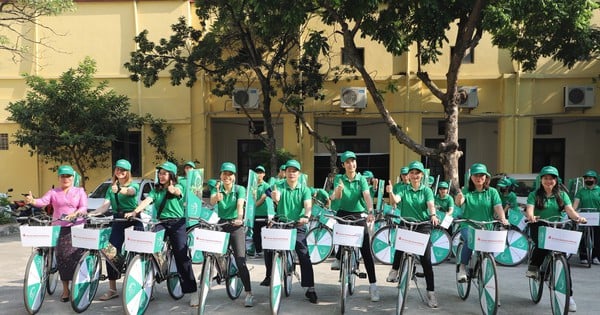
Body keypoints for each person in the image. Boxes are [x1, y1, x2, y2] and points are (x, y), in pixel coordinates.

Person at [124, 161, 198, 306]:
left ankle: (192, 291)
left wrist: (174, 190)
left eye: (164, 173)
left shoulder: (179, 185)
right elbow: (147, 200)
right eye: (160, 173)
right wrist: (135, 211)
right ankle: (148, 285)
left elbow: (179, 192)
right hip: (160, 222)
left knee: (182, 256)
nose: (161, 176)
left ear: (171, 175)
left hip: (177, 223)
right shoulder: (156, 190)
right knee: (150, 248)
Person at [524, 166, 585, 312]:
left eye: (551, 178)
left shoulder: (562, 195)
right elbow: (530, 208)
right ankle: (534, 266)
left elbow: (569, 209)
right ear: (541, 180)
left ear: (556, 180)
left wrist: (577, 218)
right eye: (545, 178)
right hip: (539, 226)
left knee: (563, 259)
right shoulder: (534, 194)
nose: (548, 181)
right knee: (542, 245)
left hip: (557, 227)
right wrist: (531, 216)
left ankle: (568, 296)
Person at [25, 165, 88, 302]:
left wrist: (75, 214)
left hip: (76, 227)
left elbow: (83, 207)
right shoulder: (53, 192)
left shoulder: (79, 191)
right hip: (59, 228)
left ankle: (77, 286)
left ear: (73, 177)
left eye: (68, 176)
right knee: (62, 258)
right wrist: (32, 200)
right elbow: (43, 202)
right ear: (59, 178)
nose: (65, 178)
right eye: (63, 176)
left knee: (75, 258)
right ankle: (66, 290)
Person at [385, 161, 440, 308]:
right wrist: (390, 192)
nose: (415, 175)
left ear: (422, 175)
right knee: (400, 244)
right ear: (408, 175)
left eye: (417, 173)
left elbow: (430, 204)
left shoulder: (426, 190)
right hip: (406, 223)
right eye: (412, 173)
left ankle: (431, 293)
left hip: (422, 225)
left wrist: (433, 215)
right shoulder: (403, 189)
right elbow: (396, 200)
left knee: (426, 261)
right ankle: (395, 269)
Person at [262, 160, 318, 303]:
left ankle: (310, 288)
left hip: (297, 224)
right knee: (268, 248)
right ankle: (270, 275)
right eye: (289, 170)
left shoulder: (304, 189)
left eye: (294, 171)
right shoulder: (278, 185)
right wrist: (274, 198)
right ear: (284, 172)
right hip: (281, 223)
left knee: (304, 254)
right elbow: (269, 192)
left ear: (298, 173)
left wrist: (306, 216)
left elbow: (307, 204)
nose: (291, 173)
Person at [330, 151, 380, 302]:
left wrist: (370, 210)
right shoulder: (339, 178)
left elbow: (366, 195)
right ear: (343, 165)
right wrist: (338, 190)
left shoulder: (361, 180)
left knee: (365, 249)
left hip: (358, 214)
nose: (351, 164)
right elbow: (336, 197)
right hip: (342, 213)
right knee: (340, 237)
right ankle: (339, 257)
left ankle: (373, 286)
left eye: (353, 161)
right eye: (348, 162)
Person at [88, 159, 142, 301]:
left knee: (139, 253)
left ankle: (142, 285)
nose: (120, 172)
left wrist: (120, 189)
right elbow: (105, 206)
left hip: (133, 217)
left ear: (128, 172)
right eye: (118, 169)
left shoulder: (133, 185)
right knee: (110, 252)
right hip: (118, 219)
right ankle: (112, 289)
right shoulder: (110, 187)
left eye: (123, 170)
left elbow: (130, 192)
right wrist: (91, 213)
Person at [209, 162, 254, 307]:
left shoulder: (239, 189)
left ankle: (249, 293)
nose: (227, 176)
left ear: (234, 177)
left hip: (236, 225)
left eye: (230, 174)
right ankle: (218, 270)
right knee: (212, 252)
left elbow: (240, 205)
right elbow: (211, 201)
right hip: (222, 223)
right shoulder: (217, 188)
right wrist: (216, 196)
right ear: (221, 175)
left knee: (240, 260)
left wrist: (240, 218)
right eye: (224, 174)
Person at [454, 163, 508, 283]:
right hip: (468, 225)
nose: (479, 178)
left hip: (486, 226)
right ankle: (462, 267)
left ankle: (486, 269)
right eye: (476, 176)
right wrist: (459, 197)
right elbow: (459, 202)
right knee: (469, 239)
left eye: (481, 175)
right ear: (471, 177)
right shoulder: (466, 191)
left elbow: (498, 206)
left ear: (486, 177)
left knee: (489, 250)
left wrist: (503, 218)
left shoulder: (492, 192)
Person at [573, 169, 600, 265]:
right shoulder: (581, 191)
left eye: (590, 178)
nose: (588, 179)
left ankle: (596, 256)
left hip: (597, 216)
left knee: (597, 237)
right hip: (584, 216)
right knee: (583, 236)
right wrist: (573, 211)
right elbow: (576, 203)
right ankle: (583, 256)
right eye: (587, 178)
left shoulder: (599, 190)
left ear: (594, 179)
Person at [253, 165, 272, 258]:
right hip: (254, 214)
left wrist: (253, 206)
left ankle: (266, 251)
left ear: (264, 174)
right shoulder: (252, 185)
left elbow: (263, 199)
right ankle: (258, 251)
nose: (259, 174)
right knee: (256, 234)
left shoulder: (267, 186)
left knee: (265, 234)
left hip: (264, 214)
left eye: (260, 173)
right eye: (257, 172)